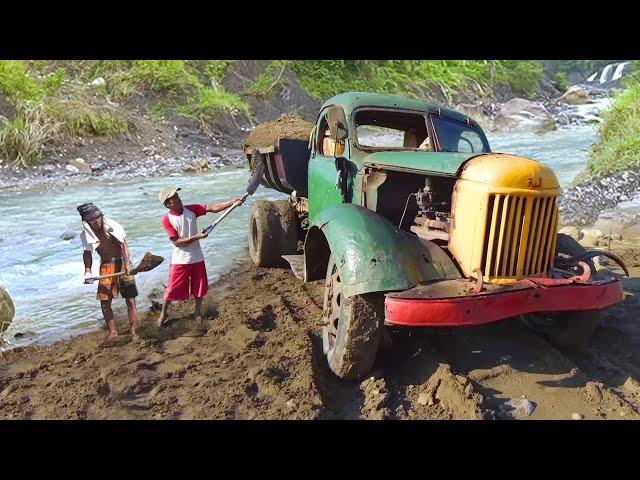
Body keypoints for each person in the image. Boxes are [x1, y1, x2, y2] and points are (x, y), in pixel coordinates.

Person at [156, 187, 244, 329]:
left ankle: (197, 312)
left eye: (178, 196)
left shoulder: (191, 210)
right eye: (175, 198)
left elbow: (213, 208)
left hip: (197, 257)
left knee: (199, 288)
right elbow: (177, 242)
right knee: (171, 289)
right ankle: (163, 313)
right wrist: (198, 236)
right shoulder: (167, 220)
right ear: (168, 204)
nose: (179, 199)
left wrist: (232, 202)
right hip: (180, 261)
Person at [78, 203, 139, 343]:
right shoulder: (86, 234)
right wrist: (87, 272)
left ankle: (133, 331)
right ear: (87, 222)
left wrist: (128, 264)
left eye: (99, 218)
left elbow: (123, 245)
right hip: (106, 265)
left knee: (130, 299)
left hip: (122, 262)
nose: (97, 222)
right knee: (105, 301)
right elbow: (87, 253)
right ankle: (112, 331)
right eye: (93, 220)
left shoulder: (112, 225)